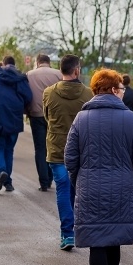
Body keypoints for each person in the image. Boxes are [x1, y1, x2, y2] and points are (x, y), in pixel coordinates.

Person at [65, 69, 133, 265]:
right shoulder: (130, 118)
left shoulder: (82, 118)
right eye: (121, 89)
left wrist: (78, 181)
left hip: (90, 186)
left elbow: (70, 157)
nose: (123, 93)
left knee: (97, 241)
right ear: (112, 90)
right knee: (115, 238)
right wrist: (131, 181)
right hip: (122, 186)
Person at [43, 54, 94, 251]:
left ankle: (67, 234)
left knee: (63, 190)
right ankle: (83, 230)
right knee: (80, 191)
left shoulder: (48, 93)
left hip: (57, 148)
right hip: (82, 149)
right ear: (76, 70)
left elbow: (48, 118)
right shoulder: (88, 94)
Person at [0, 55, 33, 192]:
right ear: (14, 65)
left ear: (3, 63)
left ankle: (1, 172)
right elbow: (28, 97)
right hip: (14, 119)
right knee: (9, 150)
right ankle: (8, 183)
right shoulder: (20, 78)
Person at [26, 54, 62, 191]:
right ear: (49, 62)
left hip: (36, 115)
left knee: (40, 148)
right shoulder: (58, 74)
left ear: (37, 62)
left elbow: (25, 94)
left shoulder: (29, 74)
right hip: (55, 116)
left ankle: (43, 182)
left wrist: (27, 110)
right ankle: (51, 177)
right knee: (53, 147)